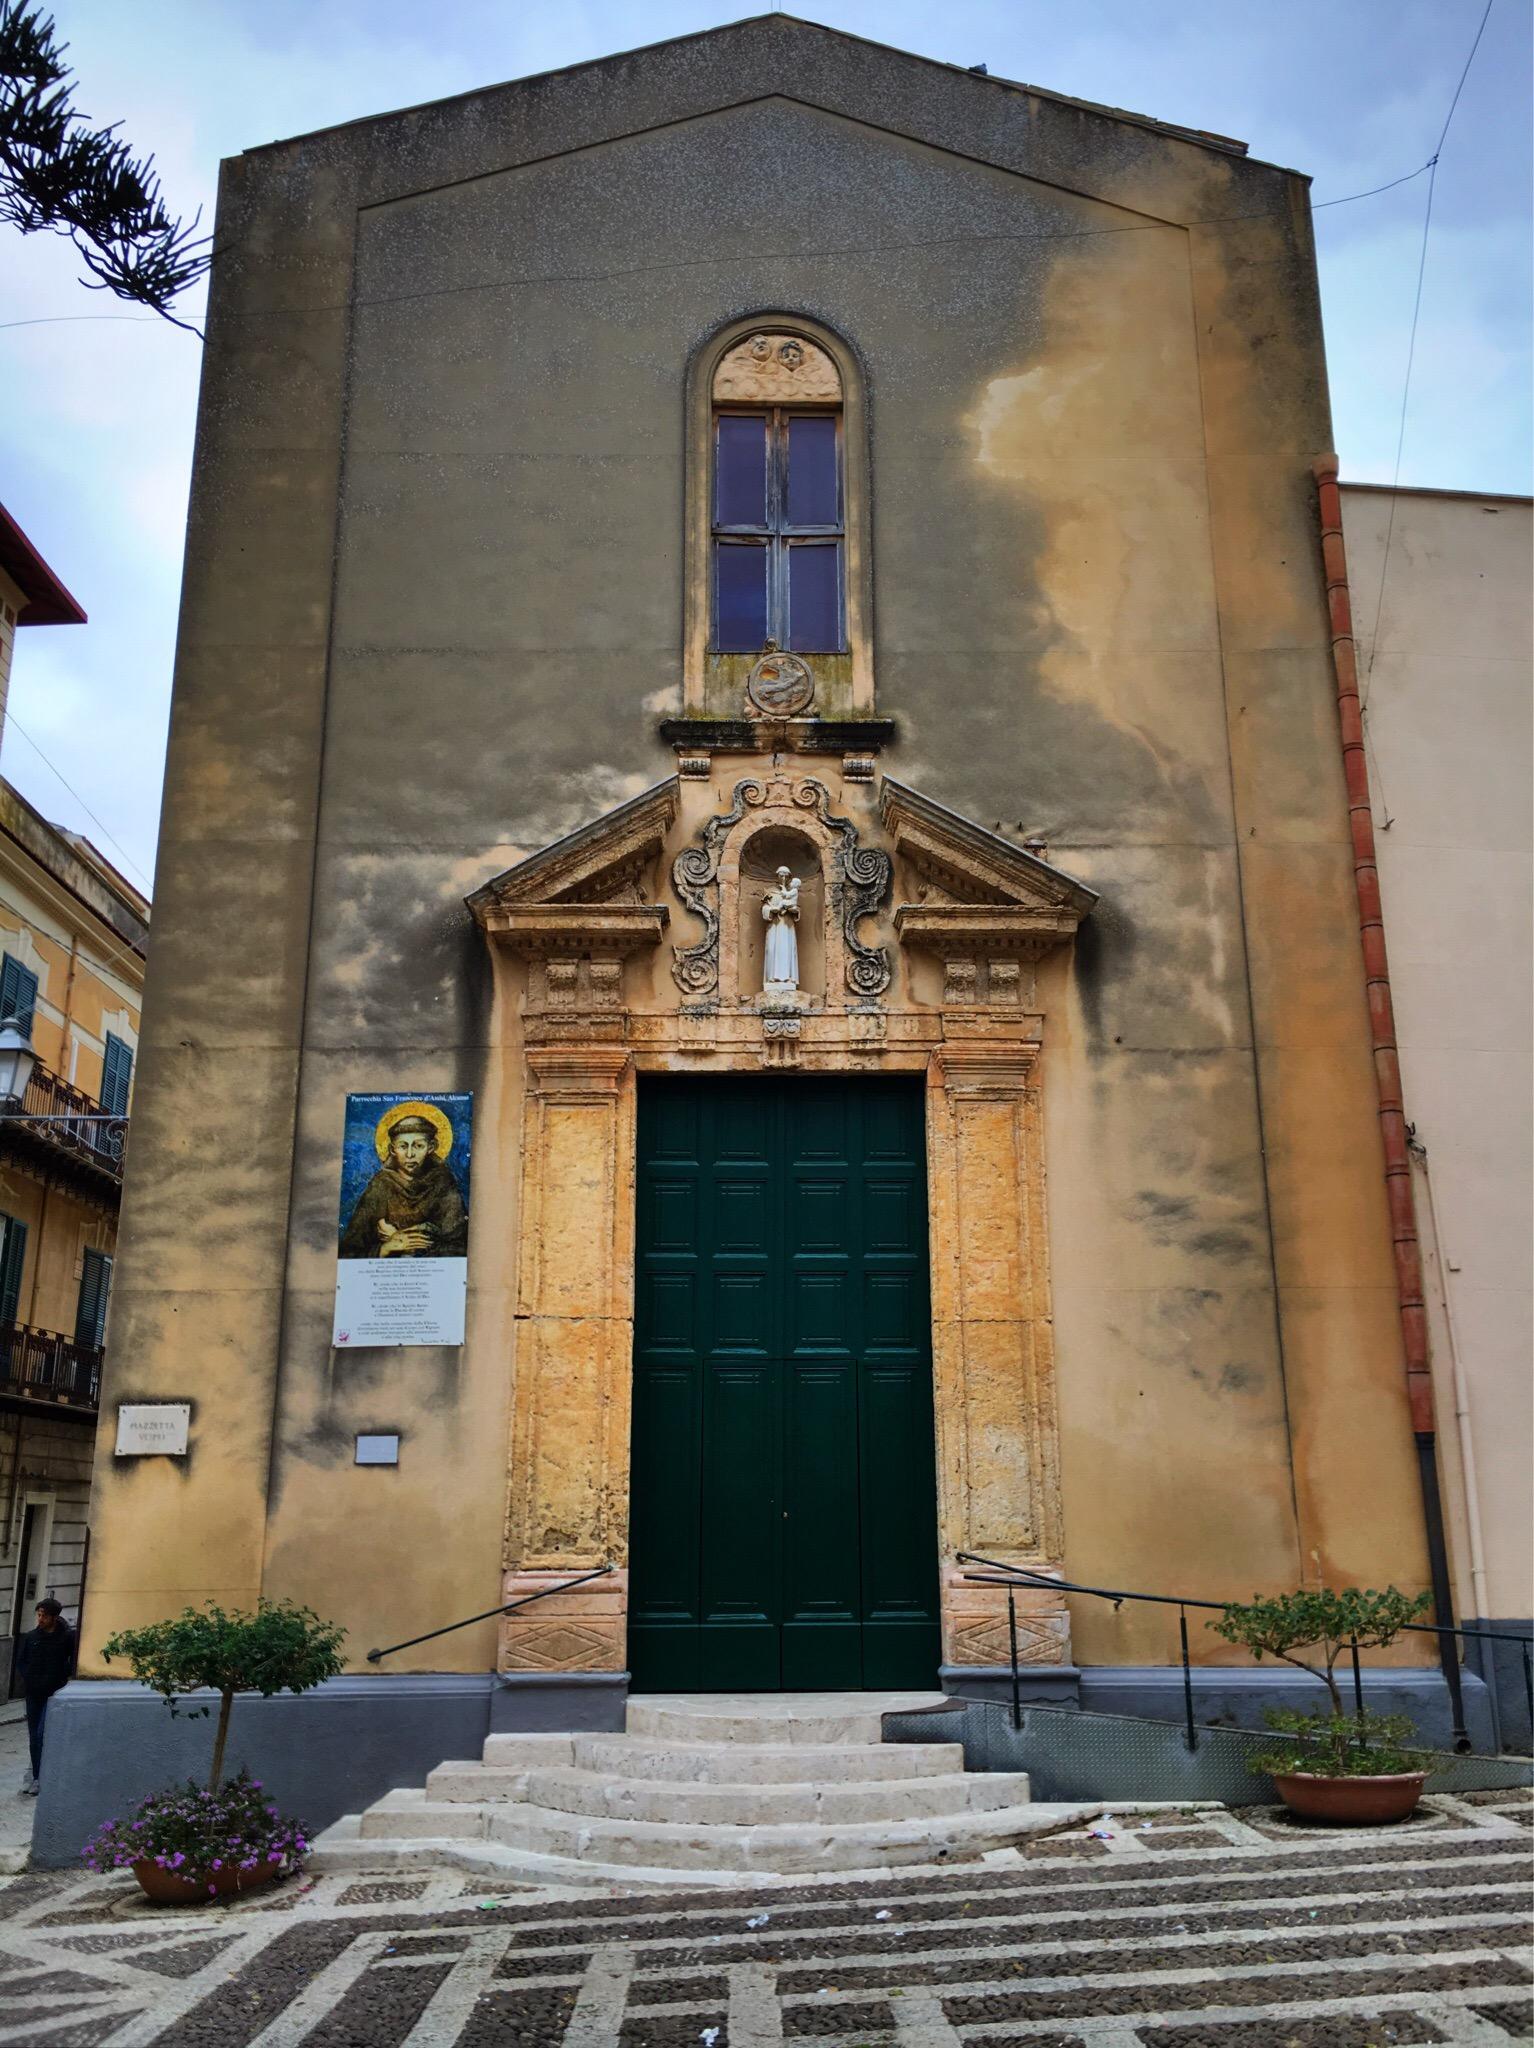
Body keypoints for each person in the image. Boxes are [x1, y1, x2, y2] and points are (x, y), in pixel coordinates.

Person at [339, 1112, 467, 1258]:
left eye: (418, 1145)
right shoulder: (380, 1186)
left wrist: (408, 1244)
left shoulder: (443, 1185)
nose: (410, 1154)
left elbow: (459, 1247)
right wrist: (385, 1248)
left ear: (431, 1147)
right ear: (393, 1149)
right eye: (403, 1146)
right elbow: (349, 1251)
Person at [16, 1597, 75, 1795]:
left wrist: (64, 1677)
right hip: (33, 1693)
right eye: (38, 1615)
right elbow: (21, 1661)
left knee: (43, 1734)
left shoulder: (67, 1638)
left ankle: (42, 1776)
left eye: (44, 1616)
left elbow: (73, 1662)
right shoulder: (32, 1637)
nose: (40, 1619)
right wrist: (28, 1677)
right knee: (34, 1736)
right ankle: (35, 1776)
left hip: (54, 1694)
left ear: (54, 1617)